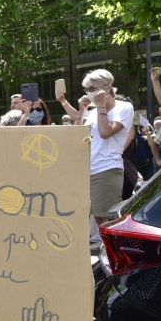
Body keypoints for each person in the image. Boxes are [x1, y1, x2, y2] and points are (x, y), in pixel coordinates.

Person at [57, 69, 134, 228]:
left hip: (107, 167)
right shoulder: (94, 113)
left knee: (107, 219)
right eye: (86, 89)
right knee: (98, 218)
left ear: (108, 87)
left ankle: (111, 251)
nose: (88, 93)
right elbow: (77, 135)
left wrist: (100, 105)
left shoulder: (124, 107)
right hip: (89, 170)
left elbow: (106, 132)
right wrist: (82, 110)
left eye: (92, 88)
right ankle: (105, 249)